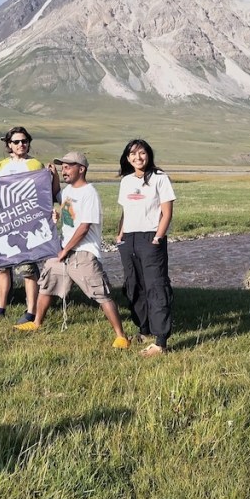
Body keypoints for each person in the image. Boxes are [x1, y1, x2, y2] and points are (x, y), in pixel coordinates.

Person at [15, 152, 130, 349]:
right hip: (62, 249)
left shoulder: (89, 193)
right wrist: (54, 177)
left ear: (81, 169)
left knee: (101, 293)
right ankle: (36, 323)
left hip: (83, 253)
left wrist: (65, 250)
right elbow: (58, 197)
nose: (64, 169)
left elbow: (84, 227)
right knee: (47, 285)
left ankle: (121, 336)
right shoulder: (68, 190)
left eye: (68, 167)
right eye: (63, 167)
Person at [0, 126, 58, 323]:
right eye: (16, 141)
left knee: (28, 268)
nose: (21, 144)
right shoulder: (0, 166)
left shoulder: (35, 164)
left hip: (26, 222)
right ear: (9, 144)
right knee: (2, 266)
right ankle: (0, 308)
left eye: (24, 141)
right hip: (5, 222)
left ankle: (31, 311)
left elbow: (45, 192)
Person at [115, 138, 177, 356]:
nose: (137, 157)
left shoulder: (160, 178)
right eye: (133, 154)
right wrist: (120, 235)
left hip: (151, 238)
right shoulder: (126, 181)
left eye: (142, 153)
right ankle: (144, 329)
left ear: (148, 155)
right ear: (127, 157)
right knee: (134, 286)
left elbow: (167, 212)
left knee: (156, 287)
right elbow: (125, 211)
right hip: (129, 239)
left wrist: (158, 237)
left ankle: (161, 341)